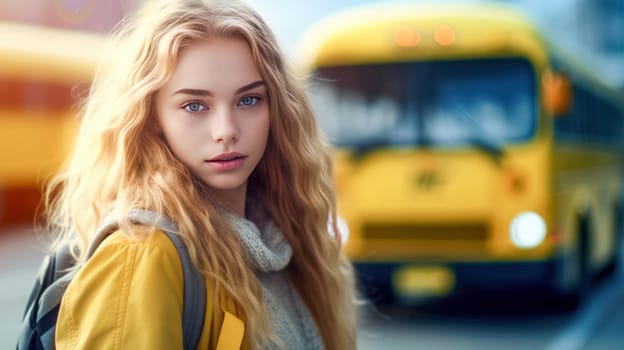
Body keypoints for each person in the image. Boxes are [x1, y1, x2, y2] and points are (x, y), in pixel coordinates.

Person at [44, 0, 357, 348]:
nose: (226, 130)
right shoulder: (142, 252)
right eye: (195, 105)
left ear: (279, 110)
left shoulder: (286, 238)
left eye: (249, 100)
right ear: (152, 119)